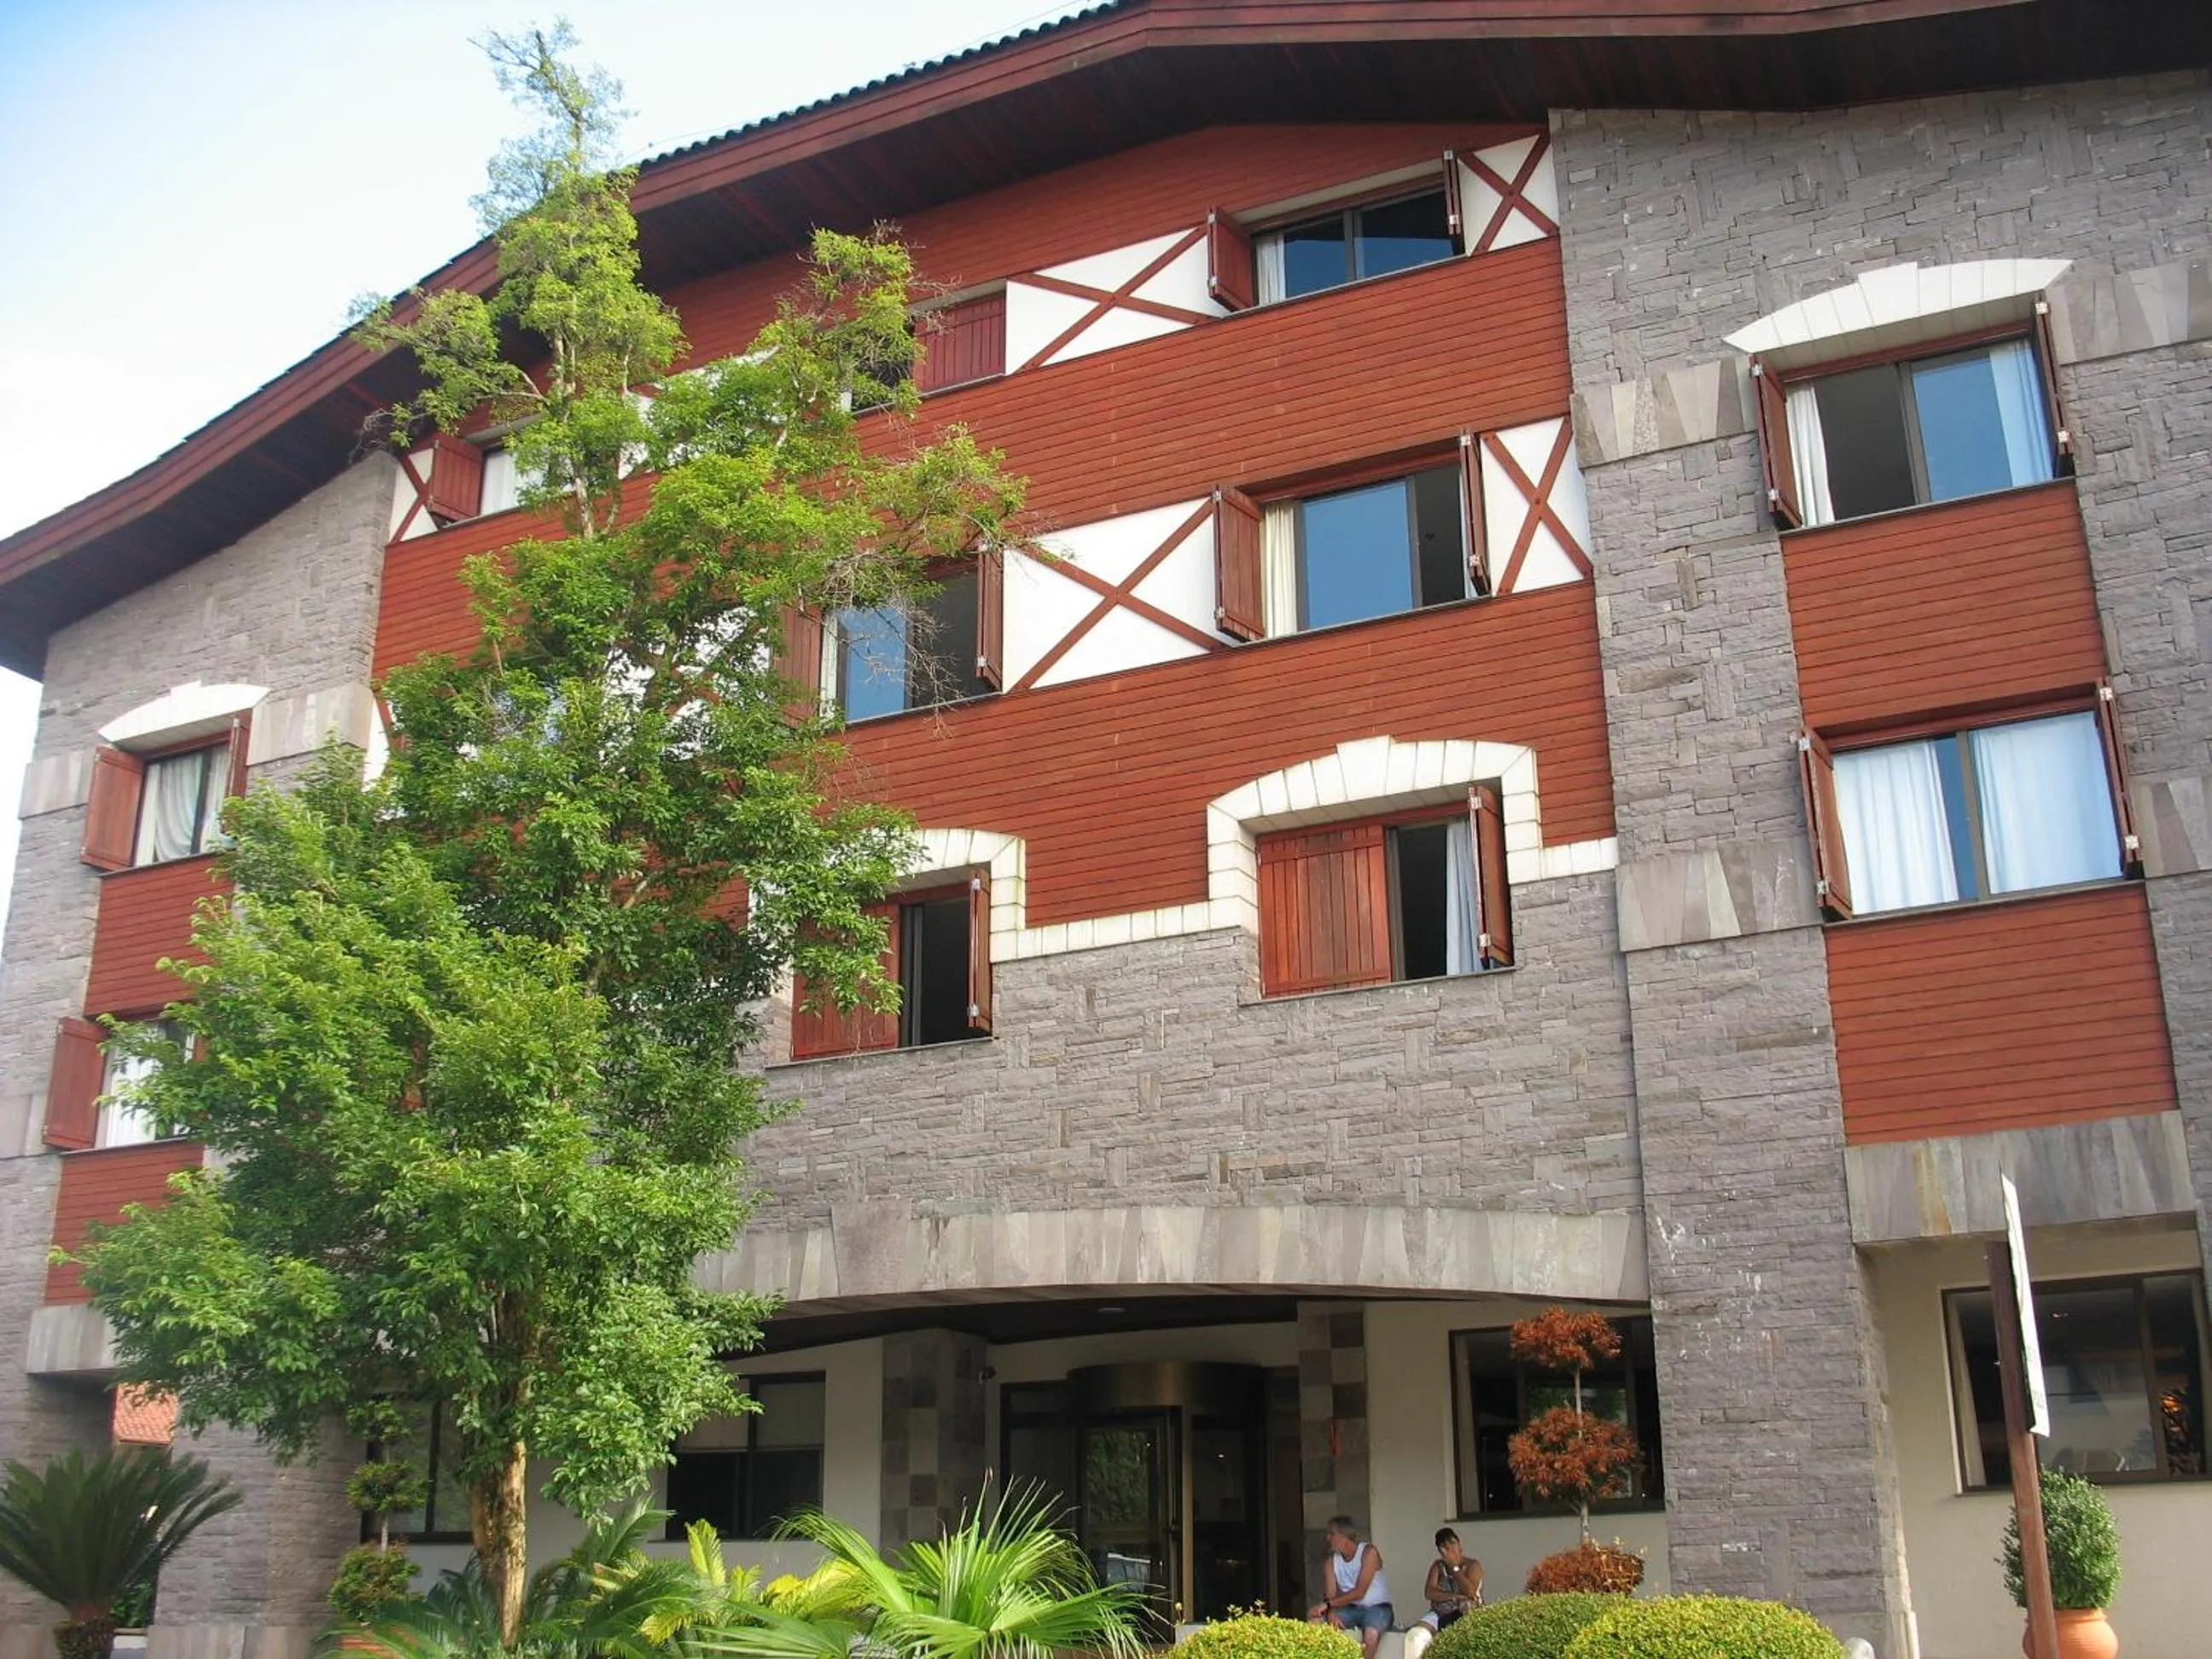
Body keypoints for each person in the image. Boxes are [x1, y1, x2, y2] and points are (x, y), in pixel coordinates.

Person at [1307, 1516, 1393, 1659]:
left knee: (1371, 1636)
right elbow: (1331, 1594)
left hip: (1378, 1608)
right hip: (1351, 1610)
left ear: (1344, 1535)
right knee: (1314, 1619)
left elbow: (1360, 1592)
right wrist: (1331, 1612)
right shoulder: (1331, 1561)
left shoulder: (1368, 1552)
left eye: (1332, 1534)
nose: (1328, 1538)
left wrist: (1327, 1605)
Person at [1401, 1530, 1481, 1659]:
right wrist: (1455, 1596)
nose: (1451, 1549)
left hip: (1465, 1612)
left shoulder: (1473, 1565)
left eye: (1453, 1544)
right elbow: (1429, 1593)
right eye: (1445, 1547)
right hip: (1440, 1612)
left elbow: (1470, 1592)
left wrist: (1454, 1568)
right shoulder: (1438, 1567)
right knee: (1415, 1636)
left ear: (1459, 1545)